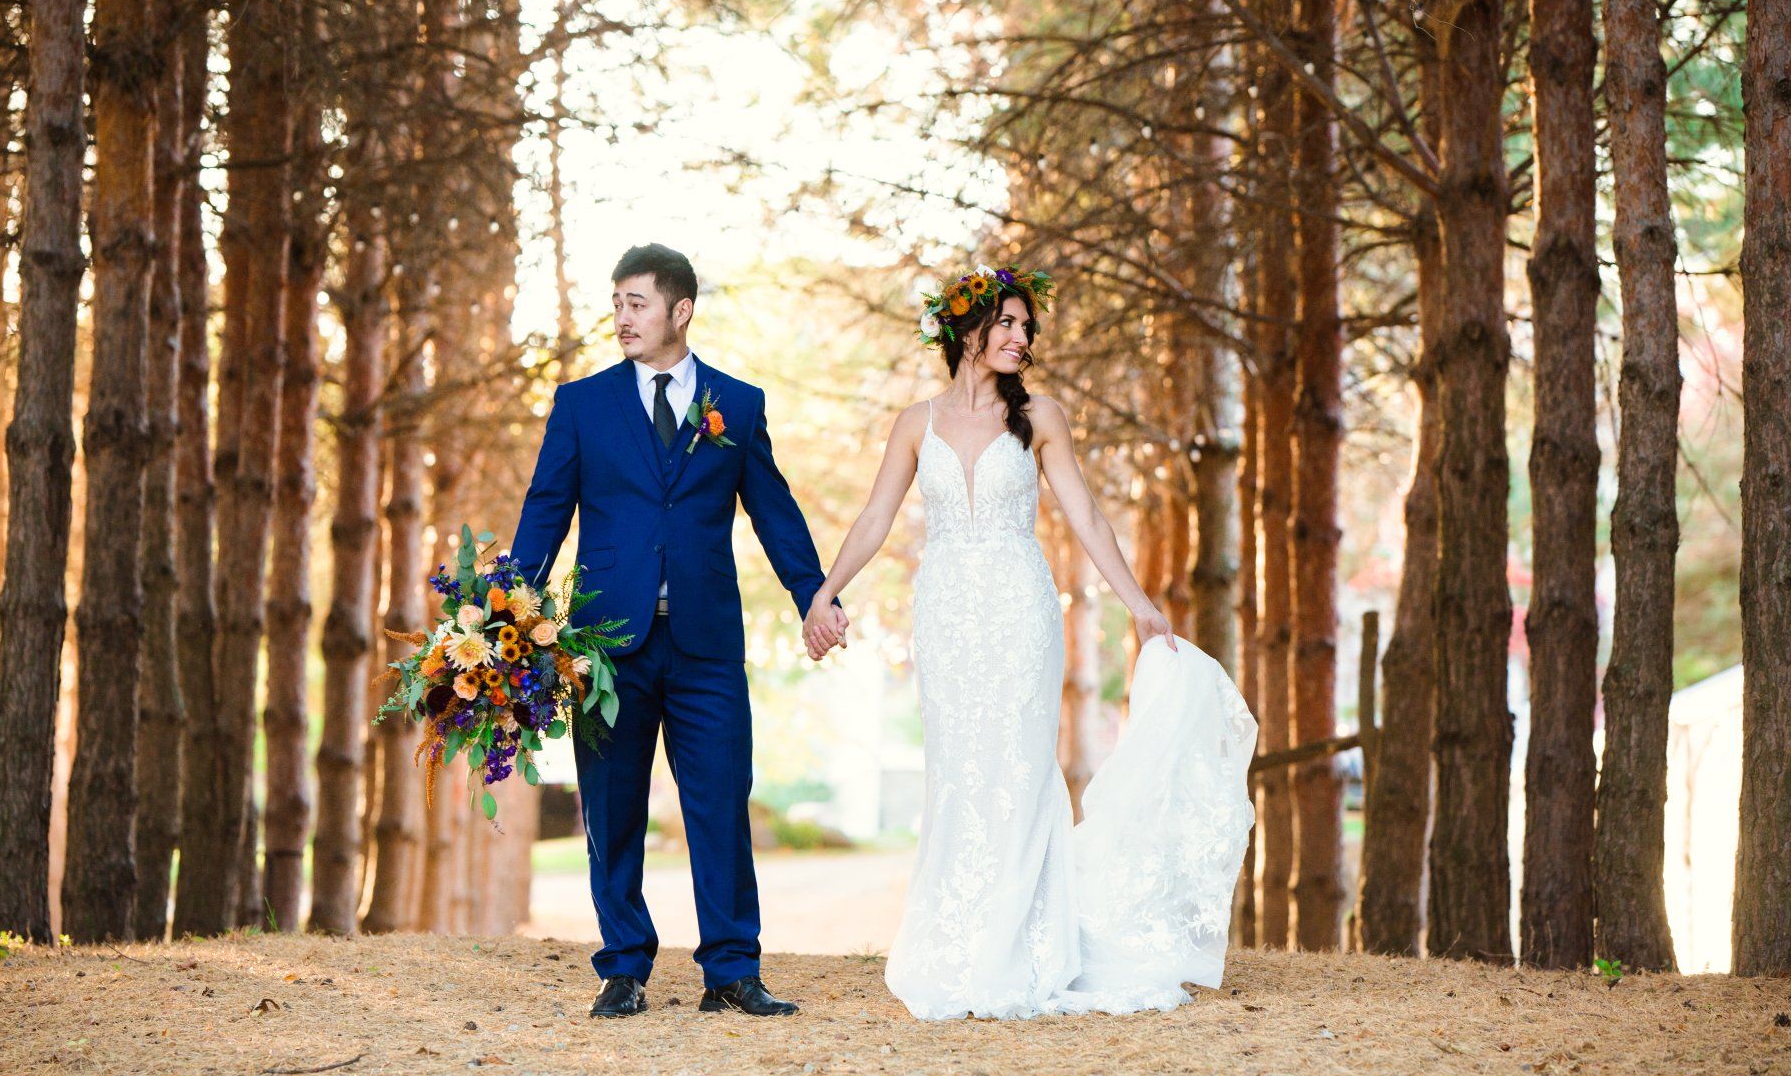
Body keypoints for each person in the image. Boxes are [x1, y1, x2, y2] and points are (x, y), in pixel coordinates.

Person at [804, 263, 1257, 1020]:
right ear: (965, 331)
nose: (1020, 337)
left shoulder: (1041, 416)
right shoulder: (916, 423)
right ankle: (960, 940)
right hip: (947, 615)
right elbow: (875, 518)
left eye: (1025, 326)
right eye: (1006, 324)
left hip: (1021, 610)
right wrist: (826, 590)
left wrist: (1140, 605)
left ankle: (1024, 947)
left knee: (1019, 767)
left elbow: (1087, 517)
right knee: (958, 769)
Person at [509, 243, 846, 1018]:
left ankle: (732, 971)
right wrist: (511, 613)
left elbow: (774, 511)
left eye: (636, 303)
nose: (621, 317)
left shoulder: (738, 403)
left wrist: (813, 596)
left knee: (721, 804)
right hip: (603, 650)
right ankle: (623, 968)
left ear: (680, 310)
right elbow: (544, 512)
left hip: (707, 648)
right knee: (613, 810)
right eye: (617, 302)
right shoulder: (581, 405)